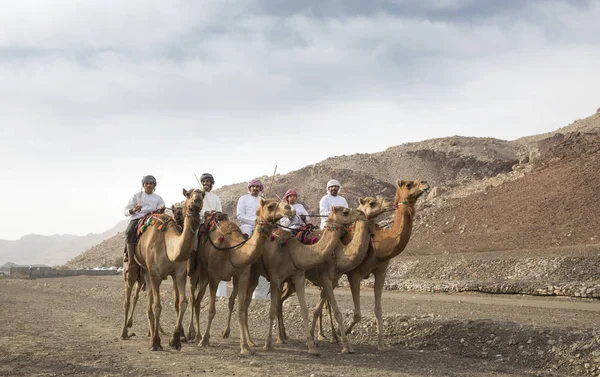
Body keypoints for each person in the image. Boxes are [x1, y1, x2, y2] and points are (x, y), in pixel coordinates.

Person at [236, 178, 270, 300]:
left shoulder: (263, 201)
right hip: (247, 227)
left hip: (261, 228)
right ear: (249, 188)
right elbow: (240, 216)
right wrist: (254, 221)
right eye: (253, 187)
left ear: (260, 189)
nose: (255, 189)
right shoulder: (243, 199)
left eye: (257, 187)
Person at [123, 175, 165, 273]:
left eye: (151, 184)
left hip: (153, 218)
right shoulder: (136, 196)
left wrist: (161, 208)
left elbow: (161, 207)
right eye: (146, 184)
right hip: (137, 218)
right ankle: (131, 261)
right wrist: (133, 210)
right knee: (129, 231)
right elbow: (125, 211)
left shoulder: (158, 198)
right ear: (143, 185)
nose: (149, 185)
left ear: (154, 186)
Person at [198, 173, 226, 298]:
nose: (206, 184)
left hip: (214, 220)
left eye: (208, 181)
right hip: (201, 221)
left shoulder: (215, 197)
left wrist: (216, 214)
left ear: (211, 183)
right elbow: (196, 209)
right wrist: (205, 213)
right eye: (204, 181)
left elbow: (219, 210)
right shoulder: (197, 194)